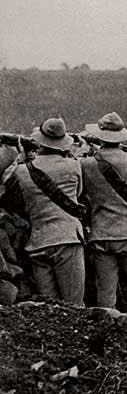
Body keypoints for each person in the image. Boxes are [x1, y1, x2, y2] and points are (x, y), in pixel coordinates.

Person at [79, 112, 127, 331]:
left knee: (106, 294)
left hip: (101, 233)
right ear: (121, 137)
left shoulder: (86, 164)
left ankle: (109, 338)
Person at [0, 118, 85, 304]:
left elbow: (5, 183)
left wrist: (19, 159)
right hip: (68, 239)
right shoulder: (74, 165)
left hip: (38, 242)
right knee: (75, 305)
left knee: (48, 308)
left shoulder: (22, 171)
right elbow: (77, 195)